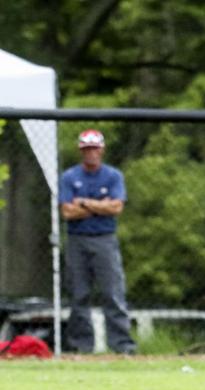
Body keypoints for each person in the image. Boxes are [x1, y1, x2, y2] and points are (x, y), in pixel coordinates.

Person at [59, 129, 136, 355]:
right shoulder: (69, 177)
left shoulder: (113, 176)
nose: (90, 153)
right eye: (86, 149)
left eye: (94, 148)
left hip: (105, 240)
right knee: (79, 294)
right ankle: (81, 346)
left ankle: (122, 346)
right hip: (77, 240)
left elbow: (116, 207)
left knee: (113, 293)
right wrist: (100, 206)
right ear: (81, 151)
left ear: (101, 150)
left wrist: (83, 203)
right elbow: (67, 212)